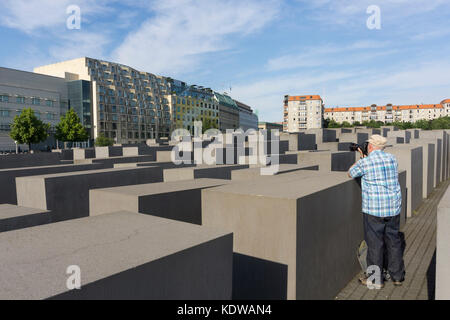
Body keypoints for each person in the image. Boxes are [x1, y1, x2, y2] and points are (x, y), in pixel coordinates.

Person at [348, 134, 405, 289]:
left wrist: (361, 156)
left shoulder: (366, 162)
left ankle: (375, 280)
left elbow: (351, 172)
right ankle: (397, 276)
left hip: (374, 210)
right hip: (393, 208)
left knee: (375, 245)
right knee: (393, 242)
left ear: (370, 146)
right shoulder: (392, 159)